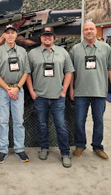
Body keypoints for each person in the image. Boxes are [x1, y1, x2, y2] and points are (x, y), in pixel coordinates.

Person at [69, 21, 111, 161]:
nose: (89, 31)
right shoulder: (75, 49)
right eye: (86, 29)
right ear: (83, 32)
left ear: (95, 31)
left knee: (99, 121)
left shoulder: (105, 48)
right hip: (80, 92)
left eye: (91, 29)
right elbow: (70, 72)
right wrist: (71, 89)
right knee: (79, 121)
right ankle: (80, 145)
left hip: (99, 92)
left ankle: (97, 146)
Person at [26, 26, 74, 167]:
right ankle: (44, 148)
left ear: (54, 37)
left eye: (50, 35)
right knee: (42, 125)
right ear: (40, 37)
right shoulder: (33, 53)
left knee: (61, 126)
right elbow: (27, 73)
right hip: (40, 96)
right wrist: (32, 92)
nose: (47, 37)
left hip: (58, 97)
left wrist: (64, 91)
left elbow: (69, 72)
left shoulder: (62, 52)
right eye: (44, 35)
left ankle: (65, 153)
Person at [0, 25, 30, 163]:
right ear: (4, 36)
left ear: (16, 35)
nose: (11, 35)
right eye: (8, 33)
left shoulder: (23, 52)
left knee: (19, 121)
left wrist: (17, 88)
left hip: (18, 90)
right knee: (3, 121)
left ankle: (19, 149)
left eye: (13, 33)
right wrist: (8, 89)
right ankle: (3, 149)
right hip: (3, 90)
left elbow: (26, 72)